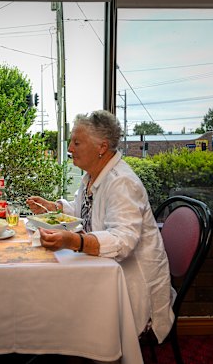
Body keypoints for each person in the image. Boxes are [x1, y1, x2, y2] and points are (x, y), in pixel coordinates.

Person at [26, 110, 175, 344]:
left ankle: (76, 345)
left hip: (131, 284)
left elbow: (122, 241)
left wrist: (73, 241)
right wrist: (52, 207)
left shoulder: (122, 182)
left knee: (56, 298)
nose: (70, 148)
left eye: (76, 142)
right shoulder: (92, 177)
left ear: (101, 147)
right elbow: (83, 212)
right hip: (105, 272)